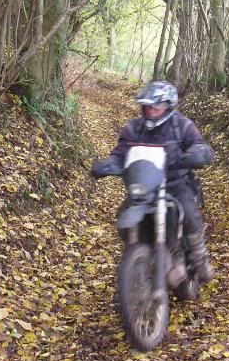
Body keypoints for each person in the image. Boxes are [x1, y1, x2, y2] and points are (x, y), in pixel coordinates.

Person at [92, 81, 215, 284]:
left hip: (175, 185)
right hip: (144, 187)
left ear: (168, 106)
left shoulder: (182, 126)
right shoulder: (133, 128)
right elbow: (120, 154)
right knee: (123, 214)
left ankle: (200, 259)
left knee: (189, 212)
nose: (150, 111)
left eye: (155, 107)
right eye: (147, 107)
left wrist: (196, 154)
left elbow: (199, 146)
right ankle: (138, 259)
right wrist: (107, 165)